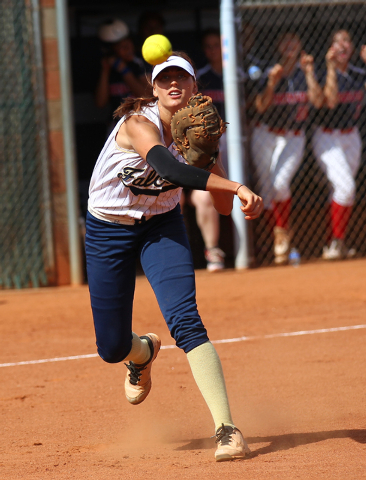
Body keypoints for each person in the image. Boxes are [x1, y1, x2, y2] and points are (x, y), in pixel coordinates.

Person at [85, 52, 263, 461]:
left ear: (195, 87)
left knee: (185, 320)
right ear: (153, 88)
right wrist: (236, 185)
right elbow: (169, 168)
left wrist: (209, 153)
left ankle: (227, 429)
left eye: (182, 77)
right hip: (109, 228)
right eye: (165, 79)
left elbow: (219, 210)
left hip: (162, 226)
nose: (173, 85)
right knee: (111, 347)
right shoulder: (138, 124)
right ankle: (142, 353)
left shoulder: (196, 131)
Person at [252, 32, 323, 264]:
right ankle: (278, 243)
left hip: (294, 136)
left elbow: (318, 102)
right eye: (285, 40)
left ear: (301, 45)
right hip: (265, 133)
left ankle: (282, 234)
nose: (290, 44)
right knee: (265, 190)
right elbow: (260, 106)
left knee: (279, 184)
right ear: (278, 46)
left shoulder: (307, 71)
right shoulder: (269, 70)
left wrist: (310, 73)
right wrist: (272, 83)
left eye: (295, 40)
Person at [312, 29, 366, 260]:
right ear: (331, 48)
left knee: (341, 191)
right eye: (337, 42)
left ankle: (334, 242)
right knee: (346, 188)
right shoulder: (323, 73)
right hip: (327, 137)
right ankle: (336, 242)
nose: (343, 45)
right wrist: (332, 67)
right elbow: (331, 101)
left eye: (347, 41)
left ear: (352, 48)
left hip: (351, 135)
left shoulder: (358, 73)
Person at [182, 28, 228, 272]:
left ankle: (257, 248)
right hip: (208, 145)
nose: (213, 50)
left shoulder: (240, 74)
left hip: (236, 144)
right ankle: (212, 252)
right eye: (208, 46)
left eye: (217, 44)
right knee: (201, 196)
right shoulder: (203, 79)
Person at [95, 19, 150, 133]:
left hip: (144, 123)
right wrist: (106, 70)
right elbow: (100, 103)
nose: (127, 48)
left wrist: (124, 70)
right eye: (121, 46)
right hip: (118, 126)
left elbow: (147, 96)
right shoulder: (106, 68)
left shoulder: (140, 62)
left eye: (128, 43)